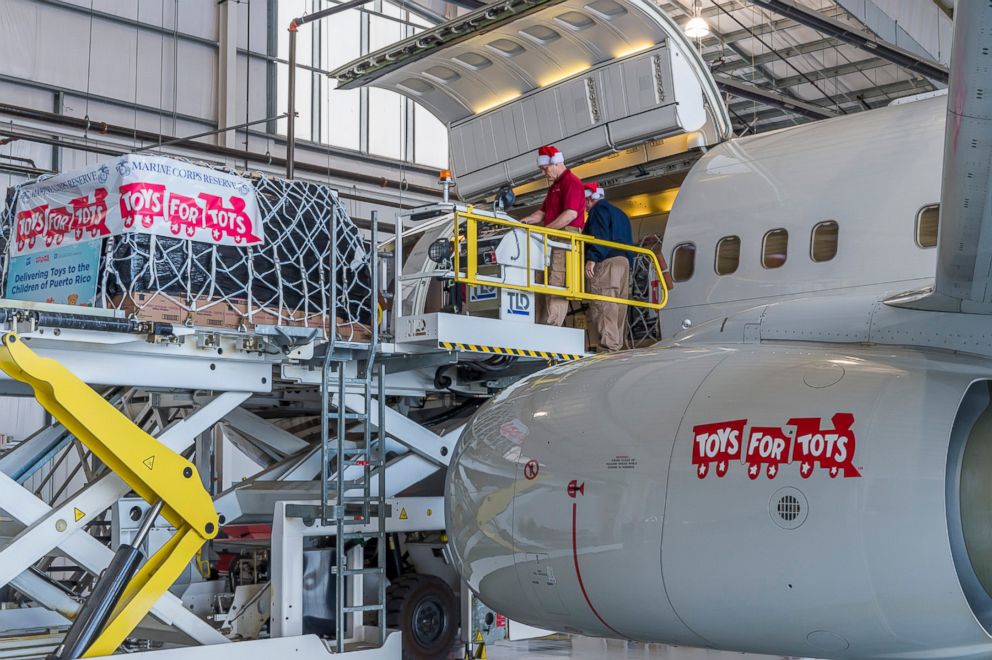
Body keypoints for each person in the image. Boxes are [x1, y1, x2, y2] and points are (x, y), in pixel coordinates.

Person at [519, 145, 585, 326]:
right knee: (541, 280)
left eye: (545, 168)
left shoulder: (572, 182)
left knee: (557, 280)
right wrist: (525, 221)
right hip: (551, 236)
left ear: (556, 163)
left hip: (565, 237)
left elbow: (570, 214)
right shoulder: (554, 187)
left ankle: (552, 325)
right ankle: (539, 323)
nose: (543, 173)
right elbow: (542, 212)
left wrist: (547, 230)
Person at [582, 182, 633, 352]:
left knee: (604, 306)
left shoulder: (598, 211)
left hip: (606, 263)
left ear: (590, 199)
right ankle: (616, 347)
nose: (584, 207)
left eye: (584, 202)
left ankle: (608, 349)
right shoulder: (621, 214)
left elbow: (599, 235)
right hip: (624, 263)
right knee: (618, 307)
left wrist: (592, 257)